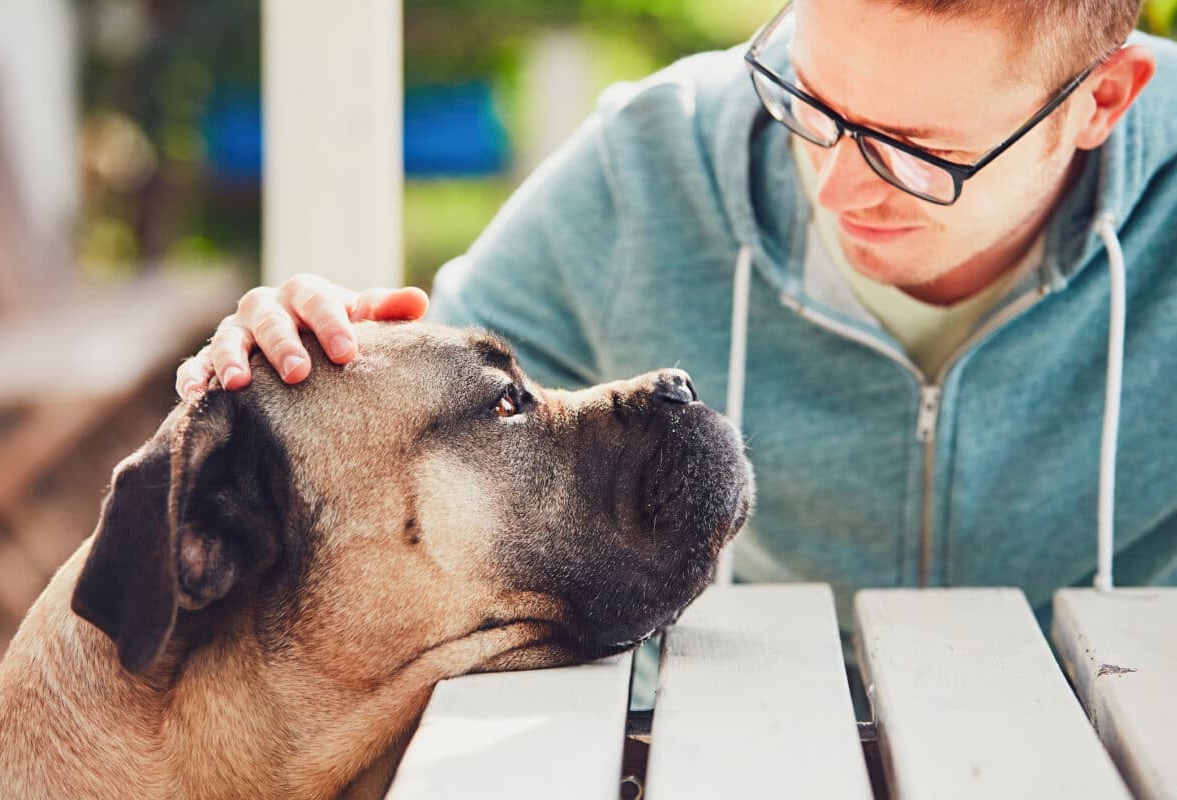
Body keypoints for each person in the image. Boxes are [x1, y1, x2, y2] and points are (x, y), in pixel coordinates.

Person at [176, 0, 1175, 712]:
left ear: (1103, 99)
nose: (828, 188)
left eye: (914, 152)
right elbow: (430, 416)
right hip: (715, 747)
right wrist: (301, 375)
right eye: (810, 100)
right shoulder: (646, 166)